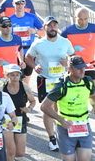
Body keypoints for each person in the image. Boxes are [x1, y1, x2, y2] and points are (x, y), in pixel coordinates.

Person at [40, 55, 94, 161]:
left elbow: (93, 97)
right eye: (79, 69)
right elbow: (45, 106)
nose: (83, 71)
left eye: (84, 68)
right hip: (65, 129)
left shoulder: (88, 83)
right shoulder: (62, 86)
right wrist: (61, 120)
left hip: (83, 126)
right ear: (70, 69)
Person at [25, 15, 74, 152]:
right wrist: (34, 66)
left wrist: (68, 64)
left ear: (57, 27)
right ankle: (52, 138)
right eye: (49, 25)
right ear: (45, 27)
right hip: (45, 79)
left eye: (55, 25)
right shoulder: (38, 43)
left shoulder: (65, 42)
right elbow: (28, 57)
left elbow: (72, 56)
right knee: (48, 108)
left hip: (62, 79)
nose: (52, 27)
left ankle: (62, 134)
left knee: (60, 108)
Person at [2, 63, 36, 161]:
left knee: (20, 153)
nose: (15, 77)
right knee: (10, 150)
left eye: (17, 74)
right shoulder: (2, 87)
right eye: (12, 75)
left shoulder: (24, 87)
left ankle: (11, 159)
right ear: (7, 75)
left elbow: (33, 101)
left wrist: (30, 108)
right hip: (7, 120)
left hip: (21, 119)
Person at [61, 7, 95, 76]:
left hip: (91, 64)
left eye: (86, 19)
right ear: (75, 17)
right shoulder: (67, 31)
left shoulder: (93, 28)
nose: (83, 22)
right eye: (80, 19)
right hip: (75, 66)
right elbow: (59, 47)